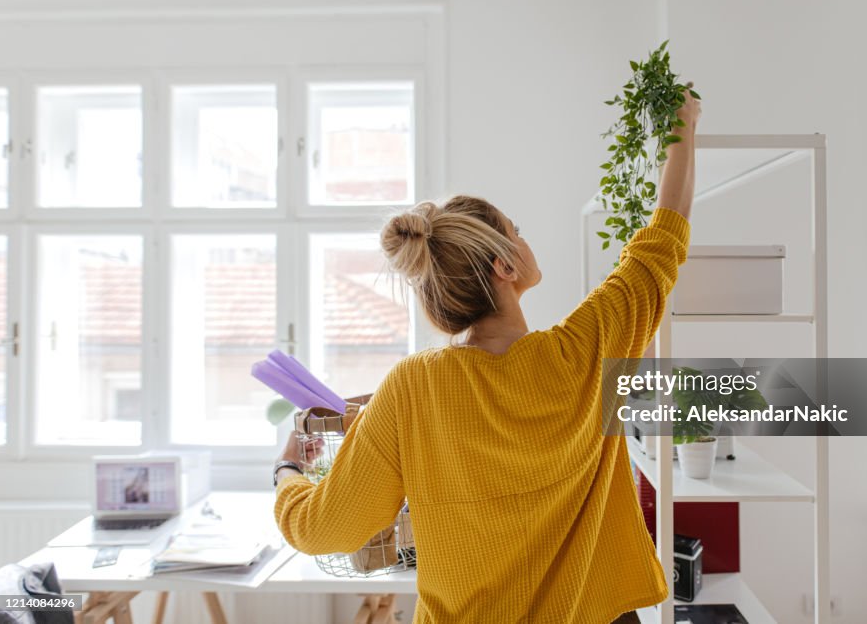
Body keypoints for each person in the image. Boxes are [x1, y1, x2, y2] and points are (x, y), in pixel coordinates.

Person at [273, 92, 699, 623]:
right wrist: (684, 124)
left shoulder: (412, 386)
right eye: (517, 232)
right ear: (504, 265)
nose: (525, 238)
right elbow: (663, 238)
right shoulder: (586, 349)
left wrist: (288, 470)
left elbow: (323, 530)